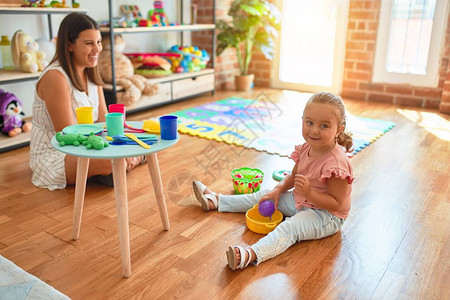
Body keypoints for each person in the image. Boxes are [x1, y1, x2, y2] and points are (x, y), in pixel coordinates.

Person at [192, 92, 354, 270]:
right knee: (265, 196)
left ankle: (251, 255)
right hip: (302, 199)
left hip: (327, 215)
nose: (314, 130)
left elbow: (337, 204)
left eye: (324, 125)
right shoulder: (308, 147)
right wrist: (278, 190)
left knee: (290, 227)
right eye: (309, 123)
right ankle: (217, 201)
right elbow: (293, 176)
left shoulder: (337, 164)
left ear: (339, 129)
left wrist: (310, 193)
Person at [30, 13, 143, 191]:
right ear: (69, 44)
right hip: (58, 153)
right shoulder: (55, 77)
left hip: (88, 144)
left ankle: (116, 166)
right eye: (89, 43)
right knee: (115, 160)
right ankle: (123, 164)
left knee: (140, 142)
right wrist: (113, 152)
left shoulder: (90, 72)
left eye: (98, 42)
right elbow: (68, 135)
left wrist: (121, 140)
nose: (97, 49)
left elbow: (102, 121)